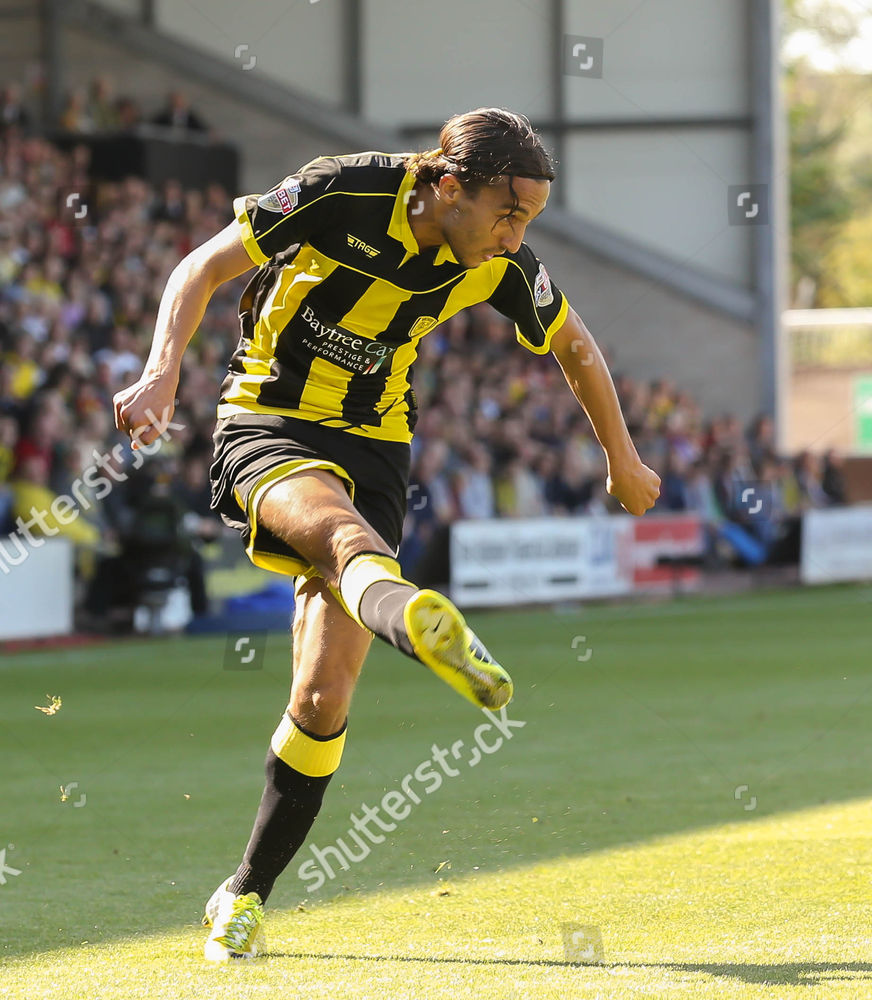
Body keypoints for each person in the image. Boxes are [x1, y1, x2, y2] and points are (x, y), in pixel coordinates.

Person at [111, 107, 661, 961]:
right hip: (268, 418)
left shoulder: (501, 266)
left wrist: (622, 458)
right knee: (336, 531)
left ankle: (242, 893)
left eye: (531, 221)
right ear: (449, 186)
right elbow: (201, 265)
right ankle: (411, 619)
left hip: (376, 446)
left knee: (322, 700)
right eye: (508, 214)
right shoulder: (343, 189)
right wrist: (160, 373)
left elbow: (576, 347)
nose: (516, 238)